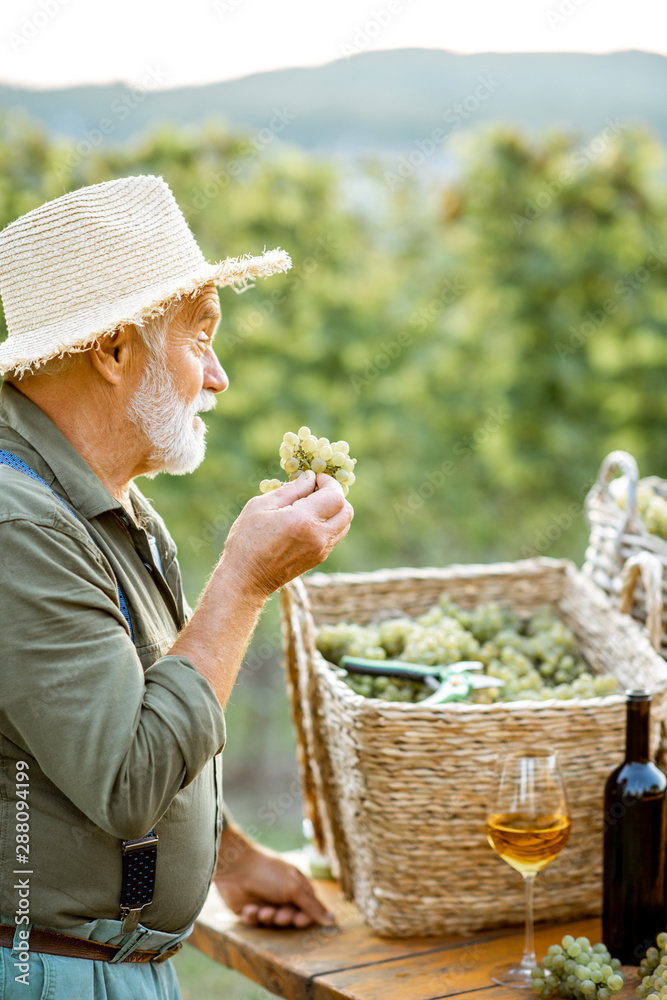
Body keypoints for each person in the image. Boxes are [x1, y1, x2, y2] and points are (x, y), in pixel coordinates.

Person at [0, 174, 353, 999]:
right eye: (201, 338)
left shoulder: (99, 500)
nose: (219, 377)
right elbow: (125, 779)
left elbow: (98, 728)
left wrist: (225, 856)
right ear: (115, 349)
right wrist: (243, 582)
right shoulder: (21, 528)